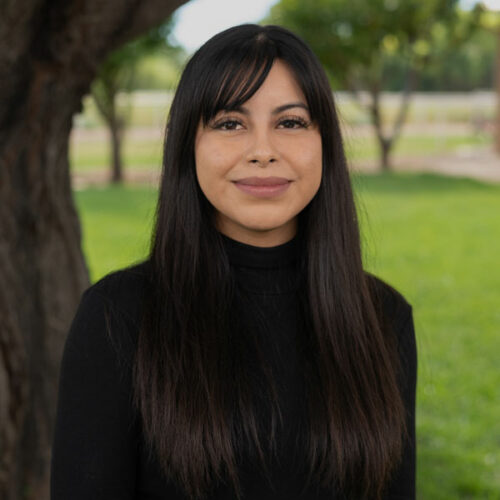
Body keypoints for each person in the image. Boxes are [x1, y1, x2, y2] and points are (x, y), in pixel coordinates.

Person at [50, 24, 417, 500]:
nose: (263, 152)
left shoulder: (383, 318)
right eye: (230, 123)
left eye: (290, 122)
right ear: (189, 144)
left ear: (324, 142)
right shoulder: (117, 317)